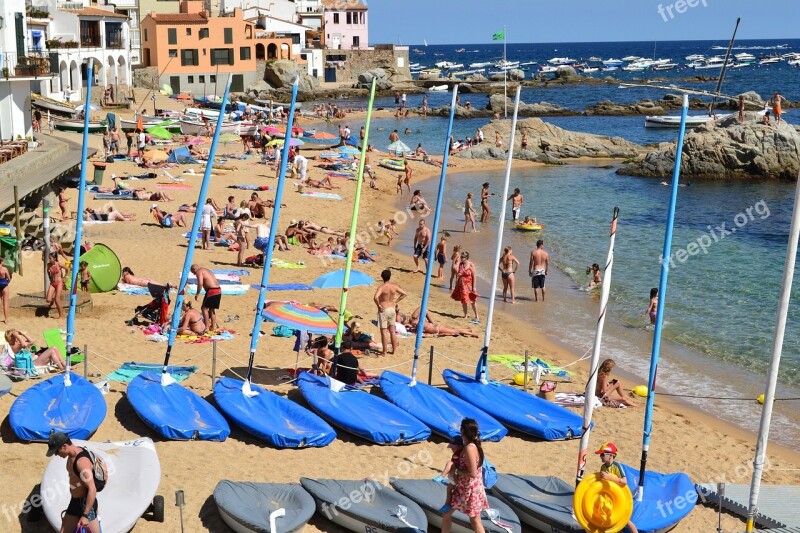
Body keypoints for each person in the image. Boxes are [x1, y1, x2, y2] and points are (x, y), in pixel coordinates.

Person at [46, 432, 103, 533]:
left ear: (64, 446)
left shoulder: (81, 462)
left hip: (86, 505)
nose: (56, 454)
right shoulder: (72, 455)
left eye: (56, 451)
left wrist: (85, 515)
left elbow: (92, 489)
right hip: (75, 501)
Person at [440, 418, 490, 533]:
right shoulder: (469, 446)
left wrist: (457, 471)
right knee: (447, 514)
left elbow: (472, 473)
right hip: (464, 488)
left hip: (470, 489)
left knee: (475, 521)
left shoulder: (469, 448)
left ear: (462, 430)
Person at [596, 442, 640, 533]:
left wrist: (610, 478)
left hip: (619, 497)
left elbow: (624, 481)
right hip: (608, 497)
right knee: (610, 518)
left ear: (611, 455)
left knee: (625, 519)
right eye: (600, 455)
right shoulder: (603, 467)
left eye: (602, 454)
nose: (600, 456)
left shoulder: (616, 466)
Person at [373, 269, 407, 356]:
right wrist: (396, 301)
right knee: (392, 331)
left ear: (382, 277)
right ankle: (394, 351)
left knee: (384, 332)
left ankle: (384, 352)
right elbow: (404, 293)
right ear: (389, 277)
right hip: (392, 309)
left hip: (384, 310)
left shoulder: (382, 287)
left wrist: (378, 306)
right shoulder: (394, 286)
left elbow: (375, 297)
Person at [434, 435, 464, 512]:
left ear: (460, 446)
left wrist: (454, 475)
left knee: (449, 463)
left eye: (453, 448)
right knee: (449, 489)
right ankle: (447, 505)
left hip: (456, 477)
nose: (452, 449)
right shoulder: (463, 453)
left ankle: (442, 476)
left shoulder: (457, 455)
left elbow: (454, 466)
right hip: (458, 476)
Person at [191, 264, 221, 332]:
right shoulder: (206, 270)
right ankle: (213, 326)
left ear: (194, 269)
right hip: (218, 290)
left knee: (204, 308)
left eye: (194, 273)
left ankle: (206, 327)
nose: (194, 274)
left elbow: (200, 283)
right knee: (212, 309)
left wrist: (197, 293)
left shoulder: (199, 271)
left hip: (211, 290)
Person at [451, 251, 479, 323]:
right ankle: (465, 315)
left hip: (469, 285)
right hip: (461, 285)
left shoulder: (471, 265)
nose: (461, 258)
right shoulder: (461, 264)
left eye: (463, 257)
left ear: (466, 258)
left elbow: (474, 276)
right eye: (461, 257)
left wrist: (474, 287)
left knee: (472, 300)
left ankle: (476, 315)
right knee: (464, 300)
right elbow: (456, 271)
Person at [45, 254, 68, 319]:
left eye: (50, 258)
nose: (49, 259)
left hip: (59, 283)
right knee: (48, 300)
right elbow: (47, 272)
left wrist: (66, 277)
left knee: (57, 300)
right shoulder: (48, 265)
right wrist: (50, 278)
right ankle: (52, 301)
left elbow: (68, 269)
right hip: (52, 283)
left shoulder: (59, 264)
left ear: (54, 259)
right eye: (49, 258)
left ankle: (61, 315)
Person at [0, 256, 11, 323]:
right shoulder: (4, 269)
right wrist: (7, 282)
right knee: (5, 303)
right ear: (1, 262)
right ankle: (6, 319)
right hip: (4, 285)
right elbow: (8, 278)